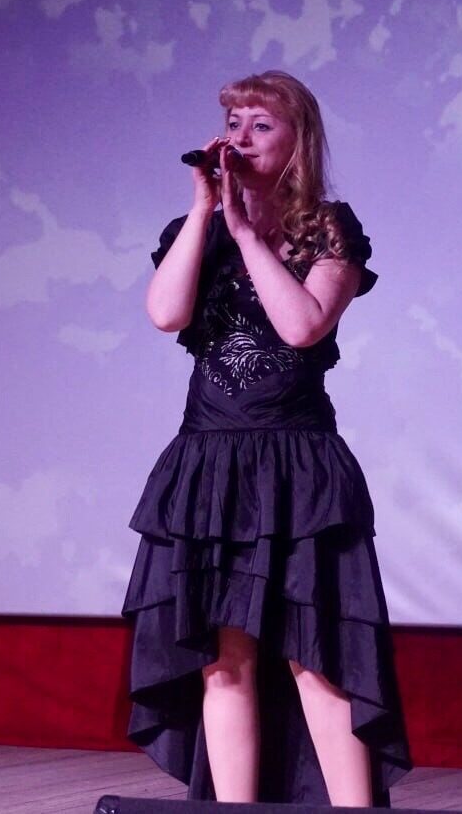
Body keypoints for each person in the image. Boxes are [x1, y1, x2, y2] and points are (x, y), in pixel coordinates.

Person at [120, 70, 413, 806]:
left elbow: (302, 325)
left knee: (317, 655)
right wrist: (205, 212)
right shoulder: (195, 232)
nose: (241, 139)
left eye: (261, 125)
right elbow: (165, 313)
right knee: (225, 661)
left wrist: (248, 233)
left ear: (297, 141)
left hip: (298, 466)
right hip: (210, 465)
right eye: (234, 124)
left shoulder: (329, 228)